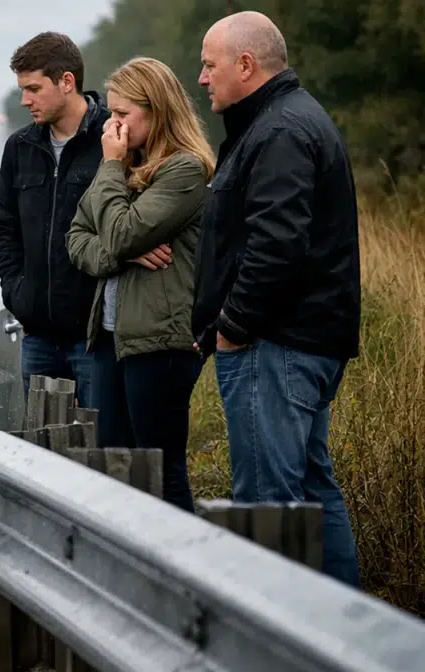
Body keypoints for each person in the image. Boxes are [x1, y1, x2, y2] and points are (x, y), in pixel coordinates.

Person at [193, 11, 361, 587]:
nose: (201, 78)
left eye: (209, 65)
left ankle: (282, 657)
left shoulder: (280, 131)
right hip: (298, 340)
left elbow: (276, 244)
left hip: (276, 344)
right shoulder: (278, 122)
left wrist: (234, 324)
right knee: (312, 489)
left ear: (246, 64)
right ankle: (347, 634)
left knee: (268, 505)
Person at [64, 58, 214, 512]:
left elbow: (121, 231)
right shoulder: (125, 166)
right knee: (118, 466)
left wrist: (110, 173)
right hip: (112, 335)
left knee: (160, 471)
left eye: (123, 115)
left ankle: (183, 575)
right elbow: (76, 238)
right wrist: (121, 253)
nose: (114, 126)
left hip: (160, 342)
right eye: (110, 114)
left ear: (157, 110)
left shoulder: (184, 170)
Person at [0, 32, 111, 407]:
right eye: (22, 89)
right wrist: (16, 293)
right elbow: (5, 227)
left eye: (33, 88)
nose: (25, 100)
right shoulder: (19, 147)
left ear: (66, 82)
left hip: (95, 337)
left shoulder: (113, 138)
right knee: (43, 452)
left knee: (100, 448)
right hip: (38, 336)